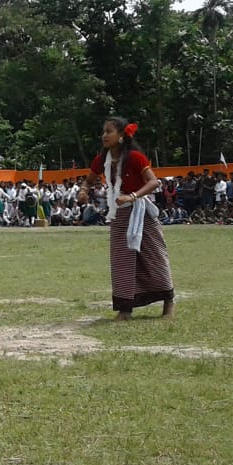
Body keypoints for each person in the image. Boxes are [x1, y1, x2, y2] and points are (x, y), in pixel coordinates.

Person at [80, 118, 175, 320]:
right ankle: (125, 309)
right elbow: (88, 180)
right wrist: (83, 190)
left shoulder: (135, 158)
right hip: (119, 215)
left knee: (155, 256)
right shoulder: (101, 160)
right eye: (103, 132)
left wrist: (132, 196)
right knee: (122, 261)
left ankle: (168, 304)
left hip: (142, 213)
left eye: (109, 131)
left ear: (121, 136)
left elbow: (154, 182)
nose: (104, 135)